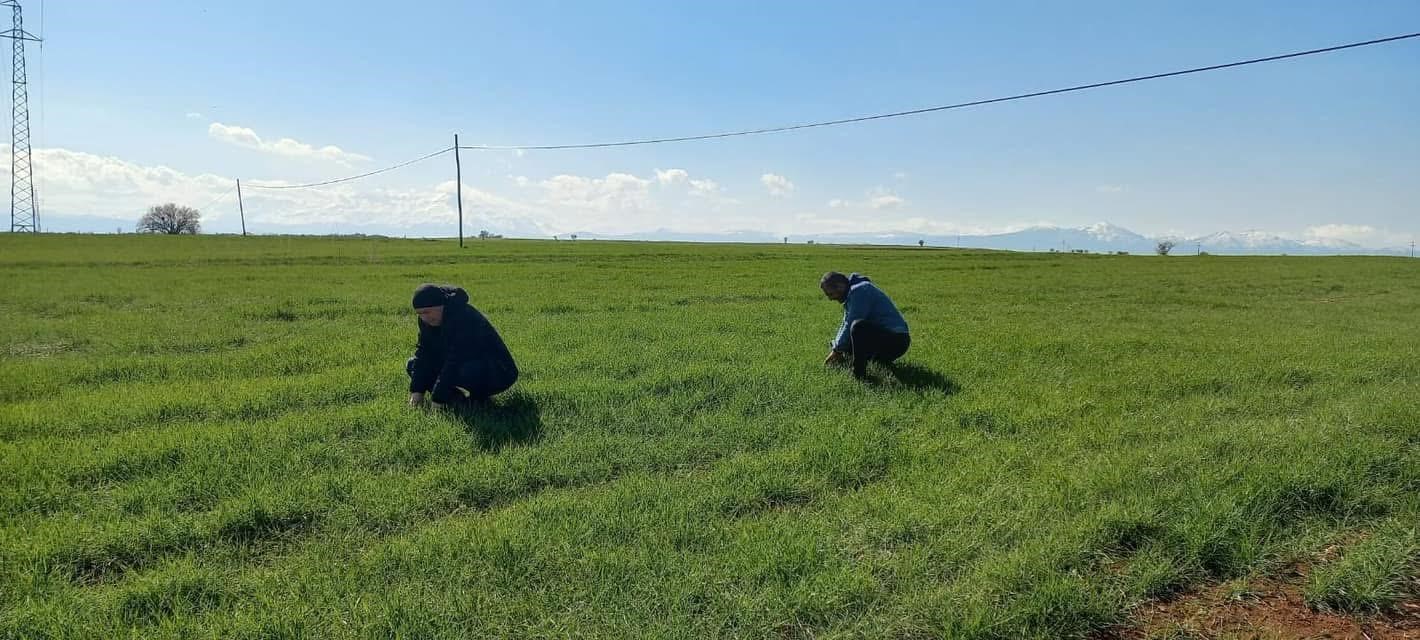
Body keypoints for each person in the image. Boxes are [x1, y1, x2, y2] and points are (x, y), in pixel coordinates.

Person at [407, 283, 518, 409]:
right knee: (412, 364)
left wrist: (438, 399)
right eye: (419, 314)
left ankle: (479, 400)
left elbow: (455, 360)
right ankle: (456, 399)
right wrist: (417, 392)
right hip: (464, 363)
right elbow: (424, 353)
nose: (424, 318)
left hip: (499, 371)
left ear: (440, 305)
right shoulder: (427, 321)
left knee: (467, 370)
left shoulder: (465, 316)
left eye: (427, 312)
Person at [820, 271, 910, 379]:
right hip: (883, 338)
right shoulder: (852, 293)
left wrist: (837, 351)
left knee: (858, 326)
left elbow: (851, 323)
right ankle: (866, 362)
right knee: (846, 342)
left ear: (840, 286)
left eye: (830, 294)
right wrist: (836, 347)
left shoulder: (860, 291)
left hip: (896, 341)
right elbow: (845, 322)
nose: (830, 298)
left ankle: (858, 375)